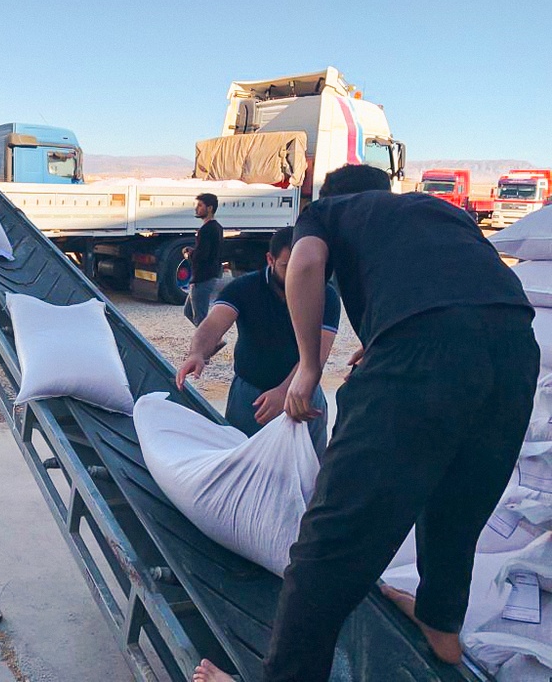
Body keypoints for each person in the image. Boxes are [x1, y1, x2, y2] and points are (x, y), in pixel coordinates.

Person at [192, 164, 539, 682]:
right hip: (514, 349)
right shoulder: (438, 210)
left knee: (330, 542)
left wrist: (308, 369)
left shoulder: (329, 211)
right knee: (457, 505)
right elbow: (457, 289)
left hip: (423, 351)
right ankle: (441, 624)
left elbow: (307, 262)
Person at [176, 227, 339, 457]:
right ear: (270, 260)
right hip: (249, 400)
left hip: (302, 396)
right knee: (242, 467)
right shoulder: (244, 288)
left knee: (308, 473)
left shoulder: (325, 294)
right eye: (287, 266)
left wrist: (285, 392)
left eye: (303, 267)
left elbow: (317, 356)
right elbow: (212, 325)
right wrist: (197, 353)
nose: (297, 275)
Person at [182, 193, 224, 326]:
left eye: (200, 205)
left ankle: (210, 342)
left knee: (200, 318)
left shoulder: (207, 229)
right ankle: (213, 340)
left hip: (202, 278)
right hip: (206, 276)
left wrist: (189, 255)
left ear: (210, 208)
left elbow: (203, 255)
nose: (196, 209)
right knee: (189, 312)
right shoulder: (217, 227)